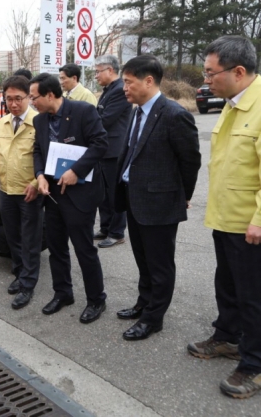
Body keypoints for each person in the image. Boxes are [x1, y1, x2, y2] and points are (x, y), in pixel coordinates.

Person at [186, 35, 261, 399]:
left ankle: (255, 364)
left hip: (251, 225)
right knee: (228, 285)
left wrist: (260, 220)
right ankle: (228, 337)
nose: (206, 80)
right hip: (225, 217)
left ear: (239, 71)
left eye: (211, 73)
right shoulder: (232, 104)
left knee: (253, 295)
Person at [114, 55, 201, 341]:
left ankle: (154, 318)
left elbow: (190, 162)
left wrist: (182, 196)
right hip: (134, 199)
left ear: (148, 81)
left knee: (160, 264)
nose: (124, 88)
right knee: (143, 260)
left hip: (160, 203)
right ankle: (144, 303)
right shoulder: (136, 111)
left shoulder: (174, 115)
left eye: (128, 82)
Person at [31, 73, 109, 324]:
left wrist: (77, 171)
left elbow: (100, 143)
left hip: (80, 194)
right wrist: (40, 175)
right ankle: (63, 293)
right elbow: (38, 151)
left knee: (84, 249)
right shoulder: (41, 121)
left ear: (50, 95)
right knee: (56, 248)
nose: (32, 102)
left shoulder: (83, 111)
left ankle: (96, 299)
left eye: (34, 97)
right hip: (52, 194)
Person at [0, 75, 44, 310]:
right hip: (6, 191)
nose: (13, 104)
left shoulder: (40, 123)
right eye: (8, 99)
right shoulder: (0, 124)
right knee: (13, 237)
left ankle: (28, 285)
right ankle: (21, 273)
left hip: (30, 191)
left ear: (29, 97)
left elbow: (46, 158)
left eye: (18, 98)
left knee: (30, 239)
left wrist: (36, 182)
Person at [94, 55, 133, 248]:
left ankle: (117, 232)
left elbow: (105, 119)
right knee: (103, 192)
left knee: (114, 193)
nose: (95, 76)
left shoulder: (119, 90)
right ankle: (106, 227)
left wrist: (89, 124)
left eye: (98, 71)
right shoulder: (108, 89)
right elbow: (98, 113)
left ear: (110, 70)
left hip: (114, 149)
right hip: (103, 149)